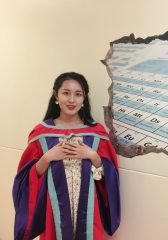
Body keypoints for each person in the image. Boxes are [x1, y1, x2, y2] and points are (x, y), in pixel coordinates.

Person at [12, 72, 121, 240]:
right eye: (66, 93)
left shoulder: (96, 133)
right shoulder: (41, 133)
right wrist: (46, 158)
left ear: (84, 98)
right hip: (53, 209)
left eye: (78, 94)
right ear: (56, 95)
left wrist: (94, 157)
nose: (72, 100)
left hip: (88, 209)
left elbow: (109, 179)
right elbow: (26, 180)